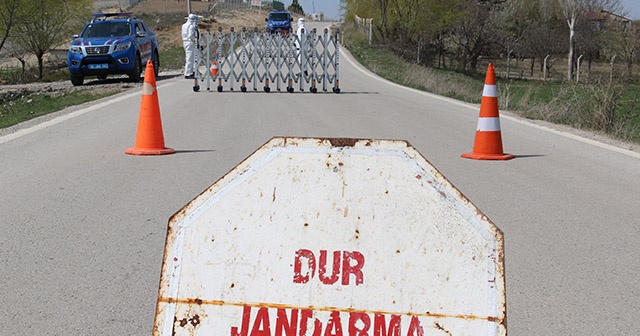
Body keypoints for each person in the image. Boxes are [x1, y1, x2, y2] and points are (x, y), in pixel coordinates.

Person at [182, 14, 199, 79]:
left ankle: (191, 71)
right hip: (190, 42)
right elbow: (191, 35)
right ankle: (188, 73)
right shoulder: (191, 26)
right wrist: (195, 41)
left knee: (191, 57)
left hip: (186, 42)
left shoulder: (184, 25)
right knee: (190, 58)